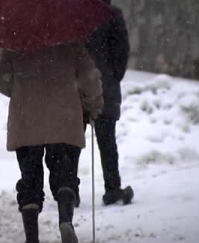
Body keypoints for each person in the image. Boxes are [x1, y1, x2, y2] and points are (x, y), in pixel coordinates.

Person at [0, 44, 103, 243]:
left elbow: (2, 80)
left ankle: (32, 240)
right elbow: (90, 78)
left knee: (30, 178)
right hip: (64, 118)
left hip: (27, 119)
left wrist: (21, 91)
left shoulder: (16, 41)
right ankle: (65, 219)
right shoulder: (70, 40)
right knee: (65, 174)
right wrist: (93, 104)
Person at [74, 0, 133, 206]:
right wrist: (112, 76)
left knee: (73, 139)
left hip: (78, 85)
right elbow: (121, 52)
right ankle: (112, 188)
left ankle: (69, 189)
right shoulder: (112, 15)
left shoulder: (74, 13)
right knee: (107, 140)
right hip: (104, 84)